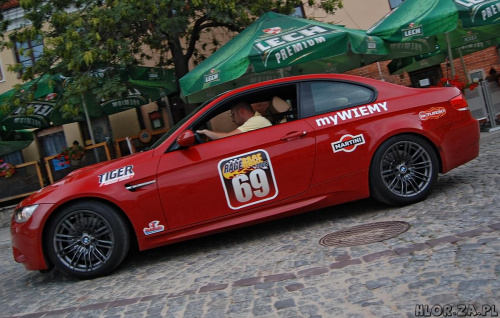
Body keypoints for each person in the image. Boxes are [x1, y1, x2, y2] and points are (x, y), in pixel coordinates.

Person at [197, 101, 272, 140]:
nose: (232, 120)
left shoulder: (256, 121)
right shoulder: (257, 120)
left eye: (233, 115)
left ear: (241, 112)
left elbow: (228, 138)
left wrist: (206, 132)